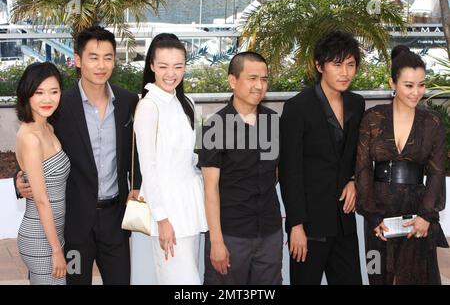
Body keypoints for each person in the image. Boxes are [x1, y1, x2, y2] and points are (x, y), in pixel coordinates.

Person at [17, 26, 141, 285]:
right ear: (77, 60)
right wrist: (20, 181)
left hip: (115, 220)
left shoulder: (129, 102)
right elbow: (37, 148)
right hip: (75, 224)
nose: (101, 65)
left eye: (108, 57)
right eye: (93, 57)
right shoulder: (60, 105)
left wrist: (137, 187)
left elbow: (137, 153)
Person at [355, 45, 448, 285]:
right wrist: (373, 217)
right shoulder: (373, 117)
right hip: (378, 213)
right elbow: (363, 168)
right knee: (379, 276)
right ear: (392, 83)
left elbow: (437, 173)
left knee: (416, 278)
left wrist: (426, 216)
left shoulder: (432, 122)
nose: (416, 92)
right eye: (409, 85)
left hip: (416, 213)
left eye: (421, 84)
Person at [279, 31, 365, 285]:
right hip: (309, 226)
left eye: (350, 65)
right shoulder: (298, 107)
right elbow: (289, 170)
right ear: (319, 66)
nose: (345, 73)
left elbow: (359, 153)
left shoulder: (356, 104)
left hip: (344, 224)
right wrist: (296, 225)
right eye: (337, 65)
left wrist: (354, 179)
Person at [199, 51, 283, 285]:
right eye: (252, 78)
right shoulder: (214, 126)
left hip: (269, 231)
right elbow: (210, 189)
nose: (259, 86)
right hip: (230, 234)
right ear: (233, 81)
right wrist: (216, 241)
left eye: (264, 79)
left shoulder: (273, 121)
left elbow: (274, 175)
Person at [133, 33, 208, 284]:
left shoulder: (187, 102)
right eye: (163, 66)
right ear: (152, 66)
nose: (171, 73)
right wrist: (162, 219)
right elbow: (149, 169)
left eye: (178, 66)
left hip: (190, 207)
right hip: (167, 212)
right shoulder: (148, 106)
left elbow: (192, 160)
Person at [15, 62, 70, 285]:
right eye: (39, 92)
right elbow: (40, 199)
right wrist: (56, 250)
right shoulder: (30, 138)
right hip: (40, 237)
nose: (47, 99)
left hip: (54, 233)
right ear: (27, 94)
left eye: (54, 92)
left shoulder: (47, 127)